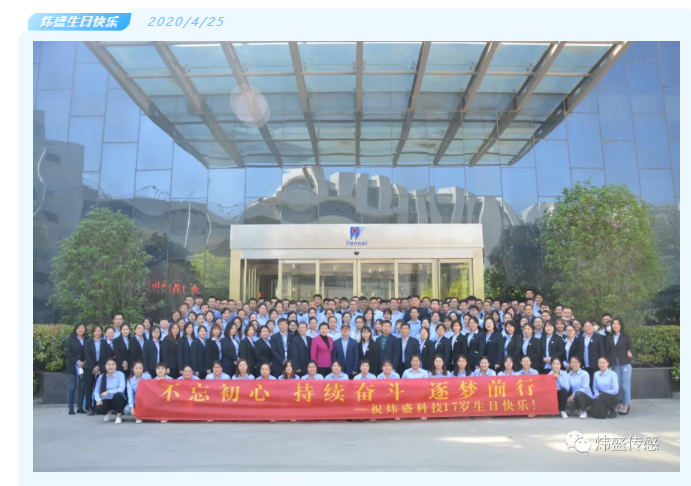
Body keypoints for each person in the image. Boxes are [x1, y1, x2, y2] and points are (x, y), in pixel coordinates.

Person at [607, 318, 633, 415]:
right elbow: (608, 351)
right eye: (614, 324)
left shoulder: (625, 336)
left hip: (625, 362)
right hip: (614, 364)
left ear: (621, 325)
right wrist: (609, 364)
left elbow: (630, 348)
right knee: (617, 385)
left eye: (617, 324)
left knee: (625, 385)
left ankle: (626, 404)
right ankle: (619, 403)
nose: (615, 326)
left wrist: (630, 352)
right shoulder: (609, 337)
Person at [92, 358, 126, 424]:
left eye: (113, 364)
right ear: (105, 366)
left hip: (117, 400)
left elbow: (122, 389)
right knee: (98, 409)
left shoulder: (120, 374)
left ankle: (119, 416)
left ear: (116, 365)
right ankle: (108, 411)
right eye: (108, 365)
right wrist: (98, 400)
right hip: (106, 399)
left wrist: (108, 391)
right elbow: (96, 390)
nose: (111, 366)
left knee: (119, 395)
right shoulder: (101, 376)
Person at [66, 323, 87, 415]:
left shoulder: (87, 339)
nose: (80, 330)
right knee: (72, 386)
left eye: (82, 328)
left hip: (84, 366)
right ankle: (71, 408)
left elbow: (90, 351)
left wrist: (85, 362)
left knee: (82, 387)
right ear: (75, 329)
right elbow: (68, 353)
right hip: (73, 366)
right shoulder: (71, 340)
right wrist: (78, 361)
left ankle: (80, 407)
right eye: (79, 328)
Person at [84, 324, 105, 415]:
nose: (97, 333)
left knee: (99, 387)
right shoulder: (88, 342)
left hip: (100, 367)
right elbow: (87, 355)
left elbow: (104, 356)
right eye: (95, 331)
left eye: (99, 331)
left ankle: (98, 406)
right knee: (89, 387)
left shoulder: (103, 342)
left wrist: (98, 366)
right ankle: (89, 407)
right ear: (93, 332)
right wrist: (93, 367)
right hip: (89, 368)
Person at [579, 320, 606, 389]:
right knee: (586, 384)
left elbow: (602, 351)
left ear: (593, 327)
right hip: (584, 365)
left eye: (590, 326)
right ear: (583, 327)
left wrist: (602, 363)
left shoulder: (599, 337)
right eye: (586, 326)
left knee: (595, 384)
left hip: (595, 365)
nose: (588, 328)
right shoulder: (580, 337)